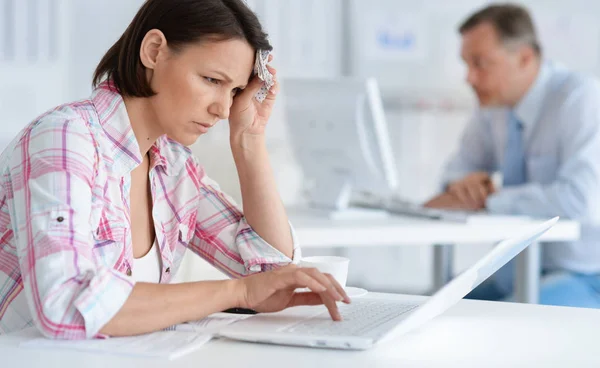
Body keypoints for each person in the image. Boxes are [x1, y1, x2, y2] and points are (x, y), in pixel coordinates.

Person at [0, 0, 349, 339]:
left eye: (236, 91)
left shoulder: (175, 168)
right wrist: (237, 293)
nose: (224, 109)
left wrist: (249, 140)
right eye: (212, 80)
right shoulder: (64, 139)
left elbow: (274, 275)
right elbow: (65, 305)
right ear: (154, 51)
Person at [425, 3, 600, 307]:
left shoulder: (581, 99)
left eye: (480, 63)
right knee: (433, 311)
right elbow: (452, 179)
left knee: (501, 322)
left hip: (584, 273)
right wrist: (462, 186)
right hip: (514, 273)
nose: (469, 78)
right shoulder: (494, 106)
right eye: (466, 64)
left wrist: (491, 199)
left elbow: (579, 199)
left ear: (524, 58)